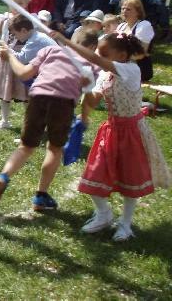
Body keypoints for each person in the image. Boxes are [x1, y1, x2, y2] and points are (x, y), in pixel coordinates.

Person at [55, 32, 170, 241]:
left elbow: (95, 59)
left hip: (132, 131)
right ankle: (103, 215)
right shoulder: (105, 74)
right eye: (100, 50)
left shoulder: (131, 69)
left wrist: (66, 42)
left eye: (105, 51)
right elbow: (92, 101)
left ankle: (125, 224)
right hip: (112, 129)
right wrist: (87, 85)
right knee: (94, 173)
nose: (100, 54)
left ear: (123, 54)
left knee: (129, 177)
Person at [0, 28, 99, 211]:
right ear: (93, 47)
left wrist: (9, 56)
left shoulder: (52, 50)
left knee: (26, 147)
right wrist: (84, 117)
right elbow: (88, 97)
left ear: (72, 40)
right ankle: (41, 196)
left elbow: (23, 74)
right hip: (63, 103)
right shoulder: (91, 65)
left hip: (38, 97)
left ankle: (3, 177)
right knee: (54, 148)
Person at [0, 0, 36, 130]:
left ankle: (29, 123)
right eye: (14, 2)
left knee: (25, 92)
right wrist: (0, 23)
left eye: (21, 3)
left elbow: (34, 37)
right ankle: (4, 119)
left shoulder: (31, 19)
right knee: (5, 90)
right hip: (5, 57)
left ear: (27, 3)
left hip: (22, 59)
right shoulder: (4, 18)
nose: (18, 6)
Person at [116, 0, 154, 82]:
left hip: (138, 68)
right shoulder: (121, 26)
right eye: (123, 8)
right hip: (121, 63)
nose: (124, 11)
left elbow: (139, 54)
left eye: (128, 9)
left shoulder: (144, 25)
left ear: (138, 12)